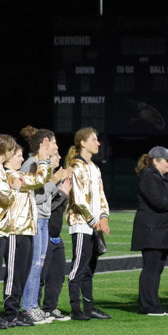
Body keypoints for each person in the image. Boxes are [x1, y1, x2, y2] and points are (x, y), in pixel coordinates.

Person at [0, 134, 39, 328]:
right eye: (13, 151)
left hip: (0, 227)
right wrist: (16, 188)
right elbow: (6, 197)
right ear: (7, 151)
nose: (16, 155)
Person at [18, 128, 70, 323]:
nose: (56, 148)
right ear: (45, 143)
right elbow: (37, 197)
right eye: (54, 143)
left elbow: (46, 195)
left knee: (38, 264)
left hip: (43, 219)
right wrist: (55, 180)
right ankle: (28, 307)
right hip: (35, 218)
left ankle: (33, 305)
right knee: (34, 265)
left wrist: (56, 183)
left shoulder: (43, 164)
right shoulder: (32, 164)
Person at [63, 128, 111, 321]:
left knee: (90, 268)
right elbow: (78, 199)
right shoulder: (76, 167)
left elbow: (101, 195)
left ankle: (89, 307)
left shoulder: (94, 168)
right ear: (83, 143)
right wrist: (93, 220)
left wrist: (104, 217)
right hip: (82, 225)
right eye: (94, 139)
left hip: (94, 225)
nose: (98, 143)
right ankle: (75, 308)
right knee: (78, 268)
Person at [131, 146, 168, 316]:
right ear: (155, 161)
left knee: (157, 268)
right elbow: (161, 202)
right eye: (167, 161)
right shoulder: (149, 177)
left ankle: (153, 303)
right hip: (152, 230)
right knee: (151, 268)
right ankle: (148, 305)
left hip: (160, 230)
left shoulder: (162, 177)